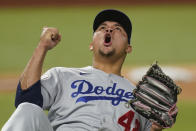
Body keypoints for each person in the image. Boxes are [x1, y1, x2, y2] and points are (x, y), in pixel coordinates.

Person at [2, 9, 162, 131]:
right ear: (91, 44)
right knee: (28, 109)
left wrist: (156, 127)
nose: (109, 30)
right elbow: (25, 99)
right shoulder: (62, 76)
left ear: (128, 48)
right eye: (102, 27)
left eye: (118, 29)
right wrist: (42, 47)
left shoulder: (140, 98)